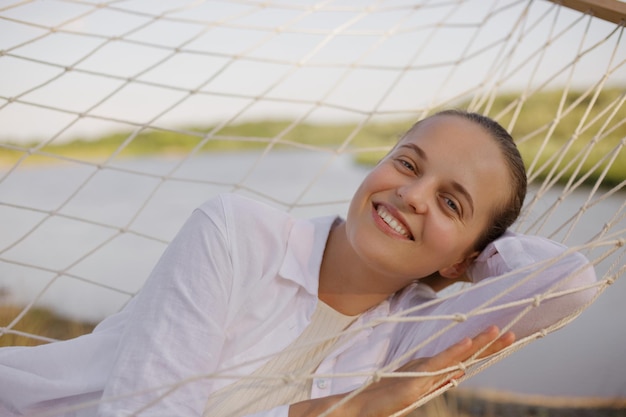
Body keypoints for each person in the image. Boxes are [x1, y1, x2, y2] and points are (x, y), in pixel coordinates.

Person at [0, 110, 596, 417]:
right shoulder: (237, 233)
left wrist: (467, 263)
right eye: (408, 164)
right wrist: (343, 411)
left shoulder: (408, 333)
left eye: (449, 201)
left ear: (469, 256)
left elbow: (568, 285)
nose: (413, 194)